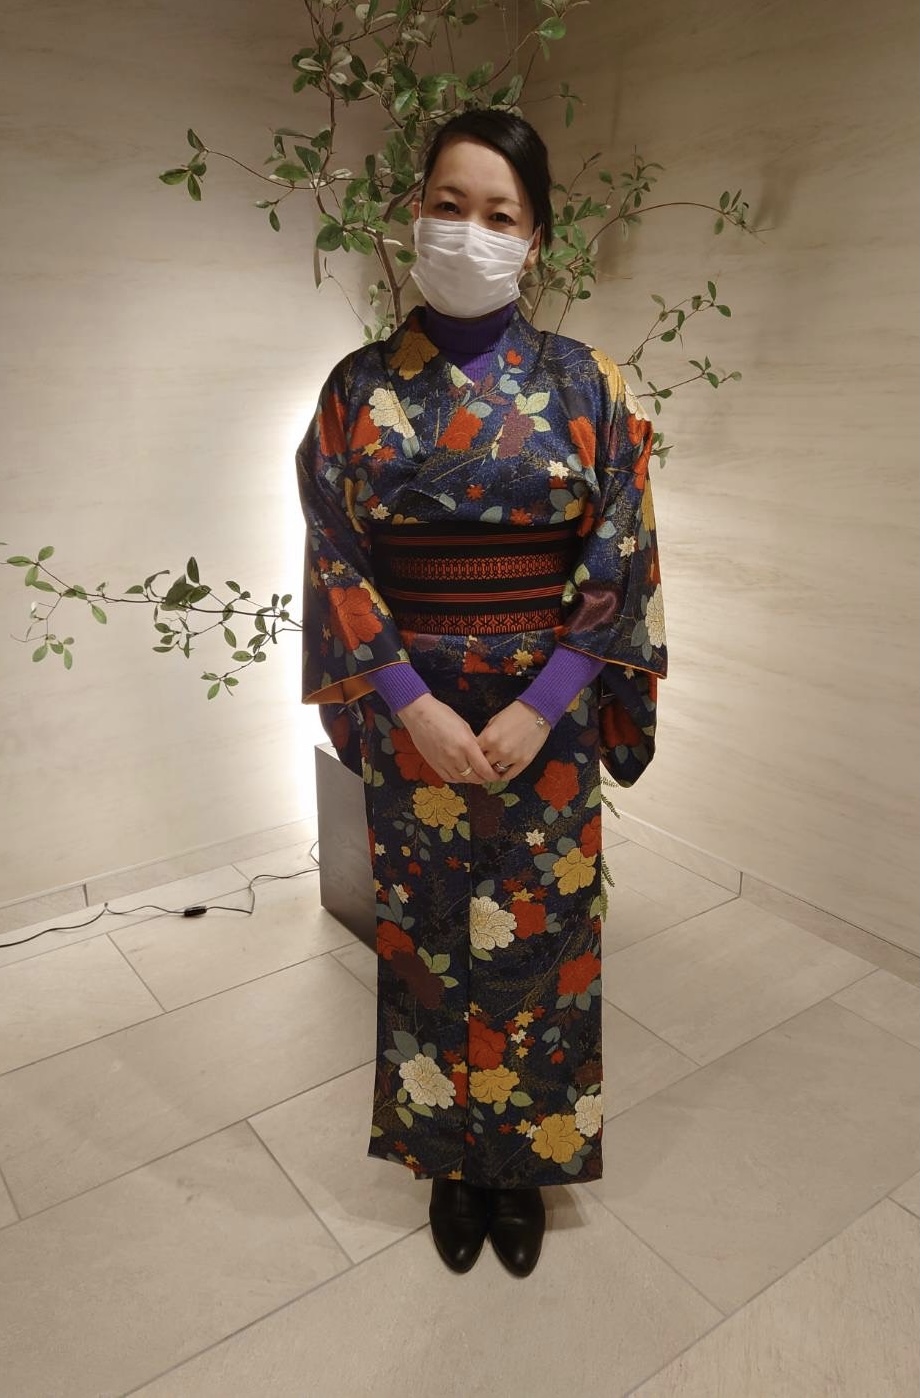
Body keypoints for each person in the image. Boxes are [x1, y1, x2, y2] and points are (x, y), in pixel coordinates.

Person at [296, 109, 667, 1277]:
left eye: (498, 214)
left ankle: (522, 1165)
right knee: (426, 943)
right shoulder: (357, 390)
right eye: (448, 206)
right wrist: (409, 703)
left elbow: (620, 552)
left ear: (534, 239)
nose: (469, 231)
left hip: (541, 720)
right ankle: (451, 1163)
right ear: (413, 216)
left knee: (539, 942)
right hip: (411, 716)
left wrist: (543, 701)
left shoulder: (587, 384)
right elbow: (334, 556)